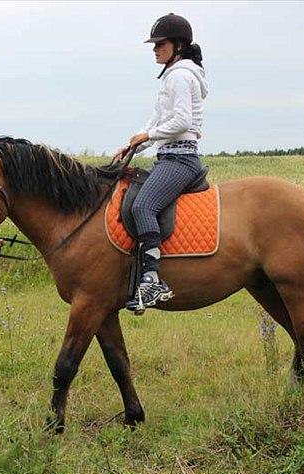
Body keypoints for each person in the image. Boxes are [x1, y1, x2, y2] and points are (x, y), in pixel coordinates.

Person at [113, 13, 209, 312]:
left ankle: (153, 280)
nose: (155, 49)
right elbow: (159, 122)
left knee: (143, 206)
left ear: (178, 45)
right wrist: (133, 143)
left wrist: (147, 134)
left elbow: (181, 121)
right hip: (168, 155)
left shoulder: (180, 76)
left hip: (180, 159)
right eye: (154, 44)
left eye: (161, 44)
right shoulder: (173, 75)